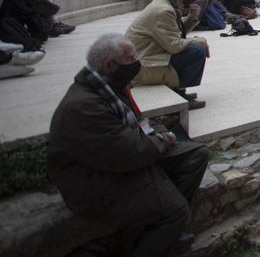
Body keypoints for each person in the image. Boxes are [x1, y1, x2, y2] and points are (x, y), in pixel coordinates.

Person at [48, 34, 209, 256]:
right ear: (109, 64)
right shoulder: (84, 106)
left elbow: (140, 122)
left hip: (123, 159)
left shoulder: (109, 88)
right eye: (131, 57)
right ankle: (161, 229)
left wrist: (160, 133)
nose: (136, 61)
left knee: (195, 155)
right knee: (176, 211)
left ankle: (162, 225)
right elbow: (129, 153)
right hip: (96, 180)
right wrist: (160, 141)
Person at [125, 0, 209, 109]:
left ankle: (180, 91)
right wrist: (200, 40)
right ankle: (180, 93)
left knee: (194, 47)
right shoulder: (164, 10)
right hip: (144, 64)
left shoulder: (165, 4)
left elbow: (174, 34)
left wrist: (192, 18)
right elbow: (175, 46)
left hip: (148, 55)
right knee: (196, 51)